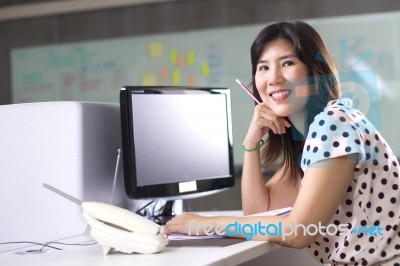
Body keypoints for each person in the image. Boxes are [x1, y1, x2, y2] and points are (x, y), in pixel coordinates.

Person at [164, 21, 400, 265]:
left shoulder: (333, 123)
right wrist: (252, 142)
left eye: (287, 63)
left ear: (314, 71)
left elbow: (298, 232)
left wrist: (206, 224)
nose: (274, 78)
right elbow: (259, 214)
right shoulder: (309, 136)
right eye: (263, 67)